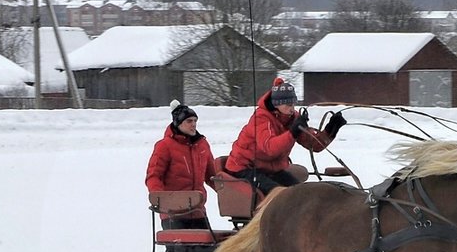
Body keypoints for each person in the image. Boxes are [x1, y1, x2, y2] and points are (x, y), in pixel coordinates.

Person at [224, 77, 346, 195]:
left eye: (293, 104)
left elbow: (314, 146)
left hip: (270, 169)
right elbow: (270, 148)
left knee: (300, 193)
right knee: (280, 196)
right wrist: (292, 132)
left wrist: (331, 129)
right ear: (277, 104)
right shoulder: (261, 118)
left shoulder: (292, 118)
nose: (292, 108)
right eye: (288, 105)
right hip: (244, 168)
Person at [145, 100, 217, 230]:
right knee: (178, 250)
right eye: (189, 121)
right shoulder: (164, 146)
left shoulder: (202, 145)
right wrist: (162, 200)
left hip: (198, 211)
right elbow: (154, 176)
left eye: (195, 121)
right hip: (173, 213)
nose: (194, 124)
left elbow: (213, 177)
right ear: (178, 123)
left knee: (208, 248)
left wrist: (230, 191)